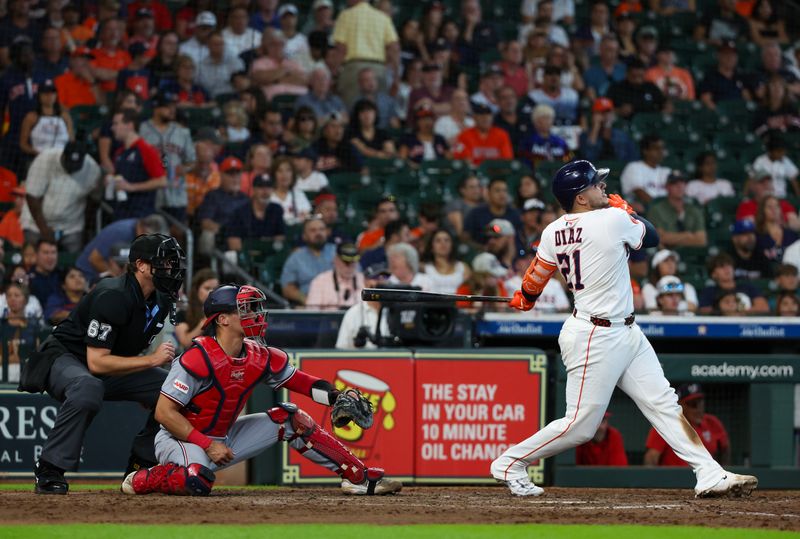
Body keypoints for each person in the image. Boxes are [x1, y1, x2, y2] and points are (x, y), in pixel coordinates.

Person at [491, 159, 757, 498]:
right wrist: (626, 209)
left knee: (663, 403)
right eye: (595, 185)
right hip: (595, 336)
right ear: (580, 198)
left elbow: (536, 278)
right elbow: (655, 237)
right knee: (580, 427)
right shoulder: (613, 218)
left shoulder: (552, 230)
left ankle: (708, 472)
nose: (603, 187)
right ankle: (510, 461)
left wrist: (524, 298)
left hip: (625, 331)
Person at [121, 283, 402, 496]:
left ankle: (358, 477)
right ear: (222, 319)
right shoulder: (197, 358)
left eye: (254, 308)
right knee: (198, 480)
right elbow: (164, 412)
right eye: (245, 309)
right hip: (180, 441)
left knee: (290, 418)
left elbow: (302, 382)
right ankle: (145, 478)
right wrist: (207, 444)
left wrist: (336, 396)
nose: (255, 314)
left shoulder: (260, 355)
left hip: (224, 438)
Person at [25, 234, 186, 494]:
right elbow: (97, 363)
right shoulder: (113, 294)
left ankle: (140, 468)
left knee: (175, 390)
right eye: (165, 263)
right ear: (141, 265)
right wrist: (152, 361)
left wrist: (152, 387)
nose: (171, 269)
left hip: (106, 364)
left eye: (172, 263)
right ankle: (49, 468)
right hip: (65, 358)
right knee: (88, 388)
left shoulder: (162, 299)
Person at [21, 141, 100, 253]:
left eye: (76, 165)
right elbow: (32, 196)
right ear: (63, 155)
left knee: (73, 262)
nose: (72, 168)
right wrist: (44, 229)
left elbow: (93, 203)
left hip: (71, 225)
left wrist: (85, 229)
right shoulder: (45, 159)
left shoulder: (92, 169)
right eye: (69, 164)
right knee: (32, 258)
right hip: (36, 223)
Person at [332, 0, 400, 109]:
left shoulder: (346, 15)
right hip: (379, 70)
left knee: (352, 110)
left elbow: (341, 48)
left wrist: (334, 74)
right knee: (378, 110)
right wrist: (396, 77)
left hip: (353, 69)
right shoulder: (383, 18)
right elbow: (394, 48)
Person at [139, 91, 194, 222]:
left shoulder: (182, 132)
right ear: (156, 107)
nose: (172, 110)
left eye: (173, 107)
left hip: (176, 193)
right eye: (167, 107)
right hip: (151, 193)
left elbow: (192, 161)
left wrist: (185, 168)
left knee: (178, 233)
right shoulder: (142, 130)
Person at [645, 384, 730, 467]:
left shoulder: (712, 423)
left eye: (700, 403)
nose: (698, 409)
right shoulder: (666, 425)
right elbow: (651, 459)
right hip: (677, 479)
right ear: (680, 406)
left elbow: (725, 450)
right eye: (693, 404)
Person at [109, 108, 168, 221]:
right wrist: (111, 179)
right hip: (121, 212)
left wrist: (132, 187)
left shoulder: (146, 150)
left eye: (116, 124)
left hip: (141, 215)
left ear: (130, 125)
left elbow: (162, 181)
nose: (113, 128)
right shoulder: (119, 152)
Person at [75, 214, 169, 283]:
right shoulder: (120, 232)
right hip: (87, 275)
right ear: (143, 229)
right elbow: (94, 259)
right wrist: (119, 282)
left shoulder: (141, 236)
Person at [196, 156, 249, 255]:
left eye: (238, 174)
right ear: (221, 175)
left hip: (243, 238)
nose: (235, 178)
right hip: (221, 237)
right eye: (230, 174)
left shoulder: (245, 199)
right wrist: (226, 231)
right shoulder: (213, 196)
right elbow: (205, 222)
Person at [225, 174, 286, 254]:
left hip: (269, 256)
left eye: (268, 187)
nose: (265, 191)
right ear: (253, 190)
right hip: (245, 257)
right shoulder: (240, 212)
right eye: (261, 187)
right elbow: (234, 242)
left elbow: (280, 237)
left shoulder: (276, 209)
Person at [281, 217, 336, 305]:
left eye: (321, 229)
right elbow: (287, 288)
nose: (318, 233)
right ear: (304, 236)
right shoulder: (296, 257)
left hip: (337, 301)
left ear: (327, 232)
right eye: (313, 230)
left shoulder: (337, 252)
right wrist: (306, 300)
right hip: (308, 303)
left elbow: (356, 276)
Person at [336, 264, 392, 349]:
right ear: (365, 281)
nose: (380, 282)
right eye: (376, 277)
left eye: (384, 277)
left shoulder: (395, 311)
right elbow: (341, 349)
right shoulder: (353, 313)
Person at [647, 171, 708, 248]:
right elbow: (660, 237)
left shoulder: (694, 210)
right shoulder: (656, 209)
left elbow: (702, 240)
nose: (679, 186)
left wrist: (672, 238)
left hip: (692, 255)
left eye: (682, 182)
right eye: (674, 183)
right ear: (667, 187)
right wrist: (687, 236)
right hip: (668, 254)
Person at [698, 253, 770, 314]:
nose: (727, 269)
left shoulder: (748, 287)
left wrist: (739, 312)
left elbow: (763, 307)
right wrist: (724, 312)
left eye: (729, 265)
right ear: (713, 274)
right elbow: (704, 310)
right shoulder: (709, 292)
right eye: (721, 266)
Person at [19, 79, 73, 158]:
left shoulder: (65, 116)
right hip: (40, 158)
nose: (50, 96)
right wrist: (36, 152)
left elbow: (71, 140)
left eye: (52, 93)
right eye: (46, 93)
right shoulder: (32, 117)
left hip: (62, 158)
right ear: (39, 96)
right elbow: (23, 144)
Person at [463, 178, 522, 246]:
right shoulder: (476, 213)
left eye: (505, 191)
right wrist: (480, 248)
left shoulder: (515, 214)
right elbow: (465, 238)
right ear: (488, 193)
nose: (502, 194)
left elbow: (521, 238)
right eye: (497, 191)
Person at [306, 243, 364, 310]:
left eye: (353, 262)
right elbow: (312, 314)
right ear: (335, 260)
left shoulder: (365, 281)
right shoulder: (319, 282)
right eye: (346, 263)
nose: (350, 267)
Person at [620, 135, 670, 210]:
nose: (660, 152)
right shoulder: (634, 167)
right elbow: (639, 192)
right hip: (647, 209)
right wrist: (660, 208)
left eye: (662, 148)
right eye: (656, 148)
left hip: (666, 209)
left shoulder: (666, 171)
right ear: (645, 151)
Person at [174, 268, 219, 350]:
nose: (212, 292)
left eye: (215, 289)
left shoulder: (221, 312)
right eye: (207, 288)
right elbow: (186, 342)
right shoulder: (182, 314)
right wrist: (206, 320)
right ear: (197, 289)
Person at [641, 249, 699, 314]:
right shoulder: (649, 287)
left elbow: (692, 307)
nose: (670, 264)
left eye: (673, 260)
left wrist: (672, 304)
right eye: (666, 261)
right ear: (657, 266)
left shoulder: (687, 286)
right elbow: (652, 310)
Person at [751, 132, 800, 200]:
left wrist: (798, 196)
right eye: (779, 151)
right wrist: (745, 196)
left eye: (783, 151)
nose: (782, 154)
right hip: (764, 198)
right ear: (771, 151)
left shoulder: (786, 161)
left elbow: (794, 180)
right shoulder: (760, 160)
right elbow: (752, 179)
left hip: (781, 197)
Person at [421, 229, 469, 295]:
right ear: (431, 247)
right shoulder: (423, 268)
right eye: (438, 241)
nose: (443, 243)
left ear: (452, 245)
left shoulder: (463, 267)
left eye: (446, 240)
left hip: (458, 304)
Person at [754, 195, 799, 263]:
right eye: (769, 207)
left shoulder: (792, 235)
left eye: (776, 206)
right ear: (762, 210)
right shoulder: (757, 235)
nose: (774, 209)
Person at [270, 156, 312, 226]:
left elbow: (306, 216)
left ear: (293, 174)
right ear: (274, 174)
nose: (284, 174)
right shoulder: (268, 195)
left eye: (288, 170)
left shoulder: (299, 194)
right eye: (280, 171)